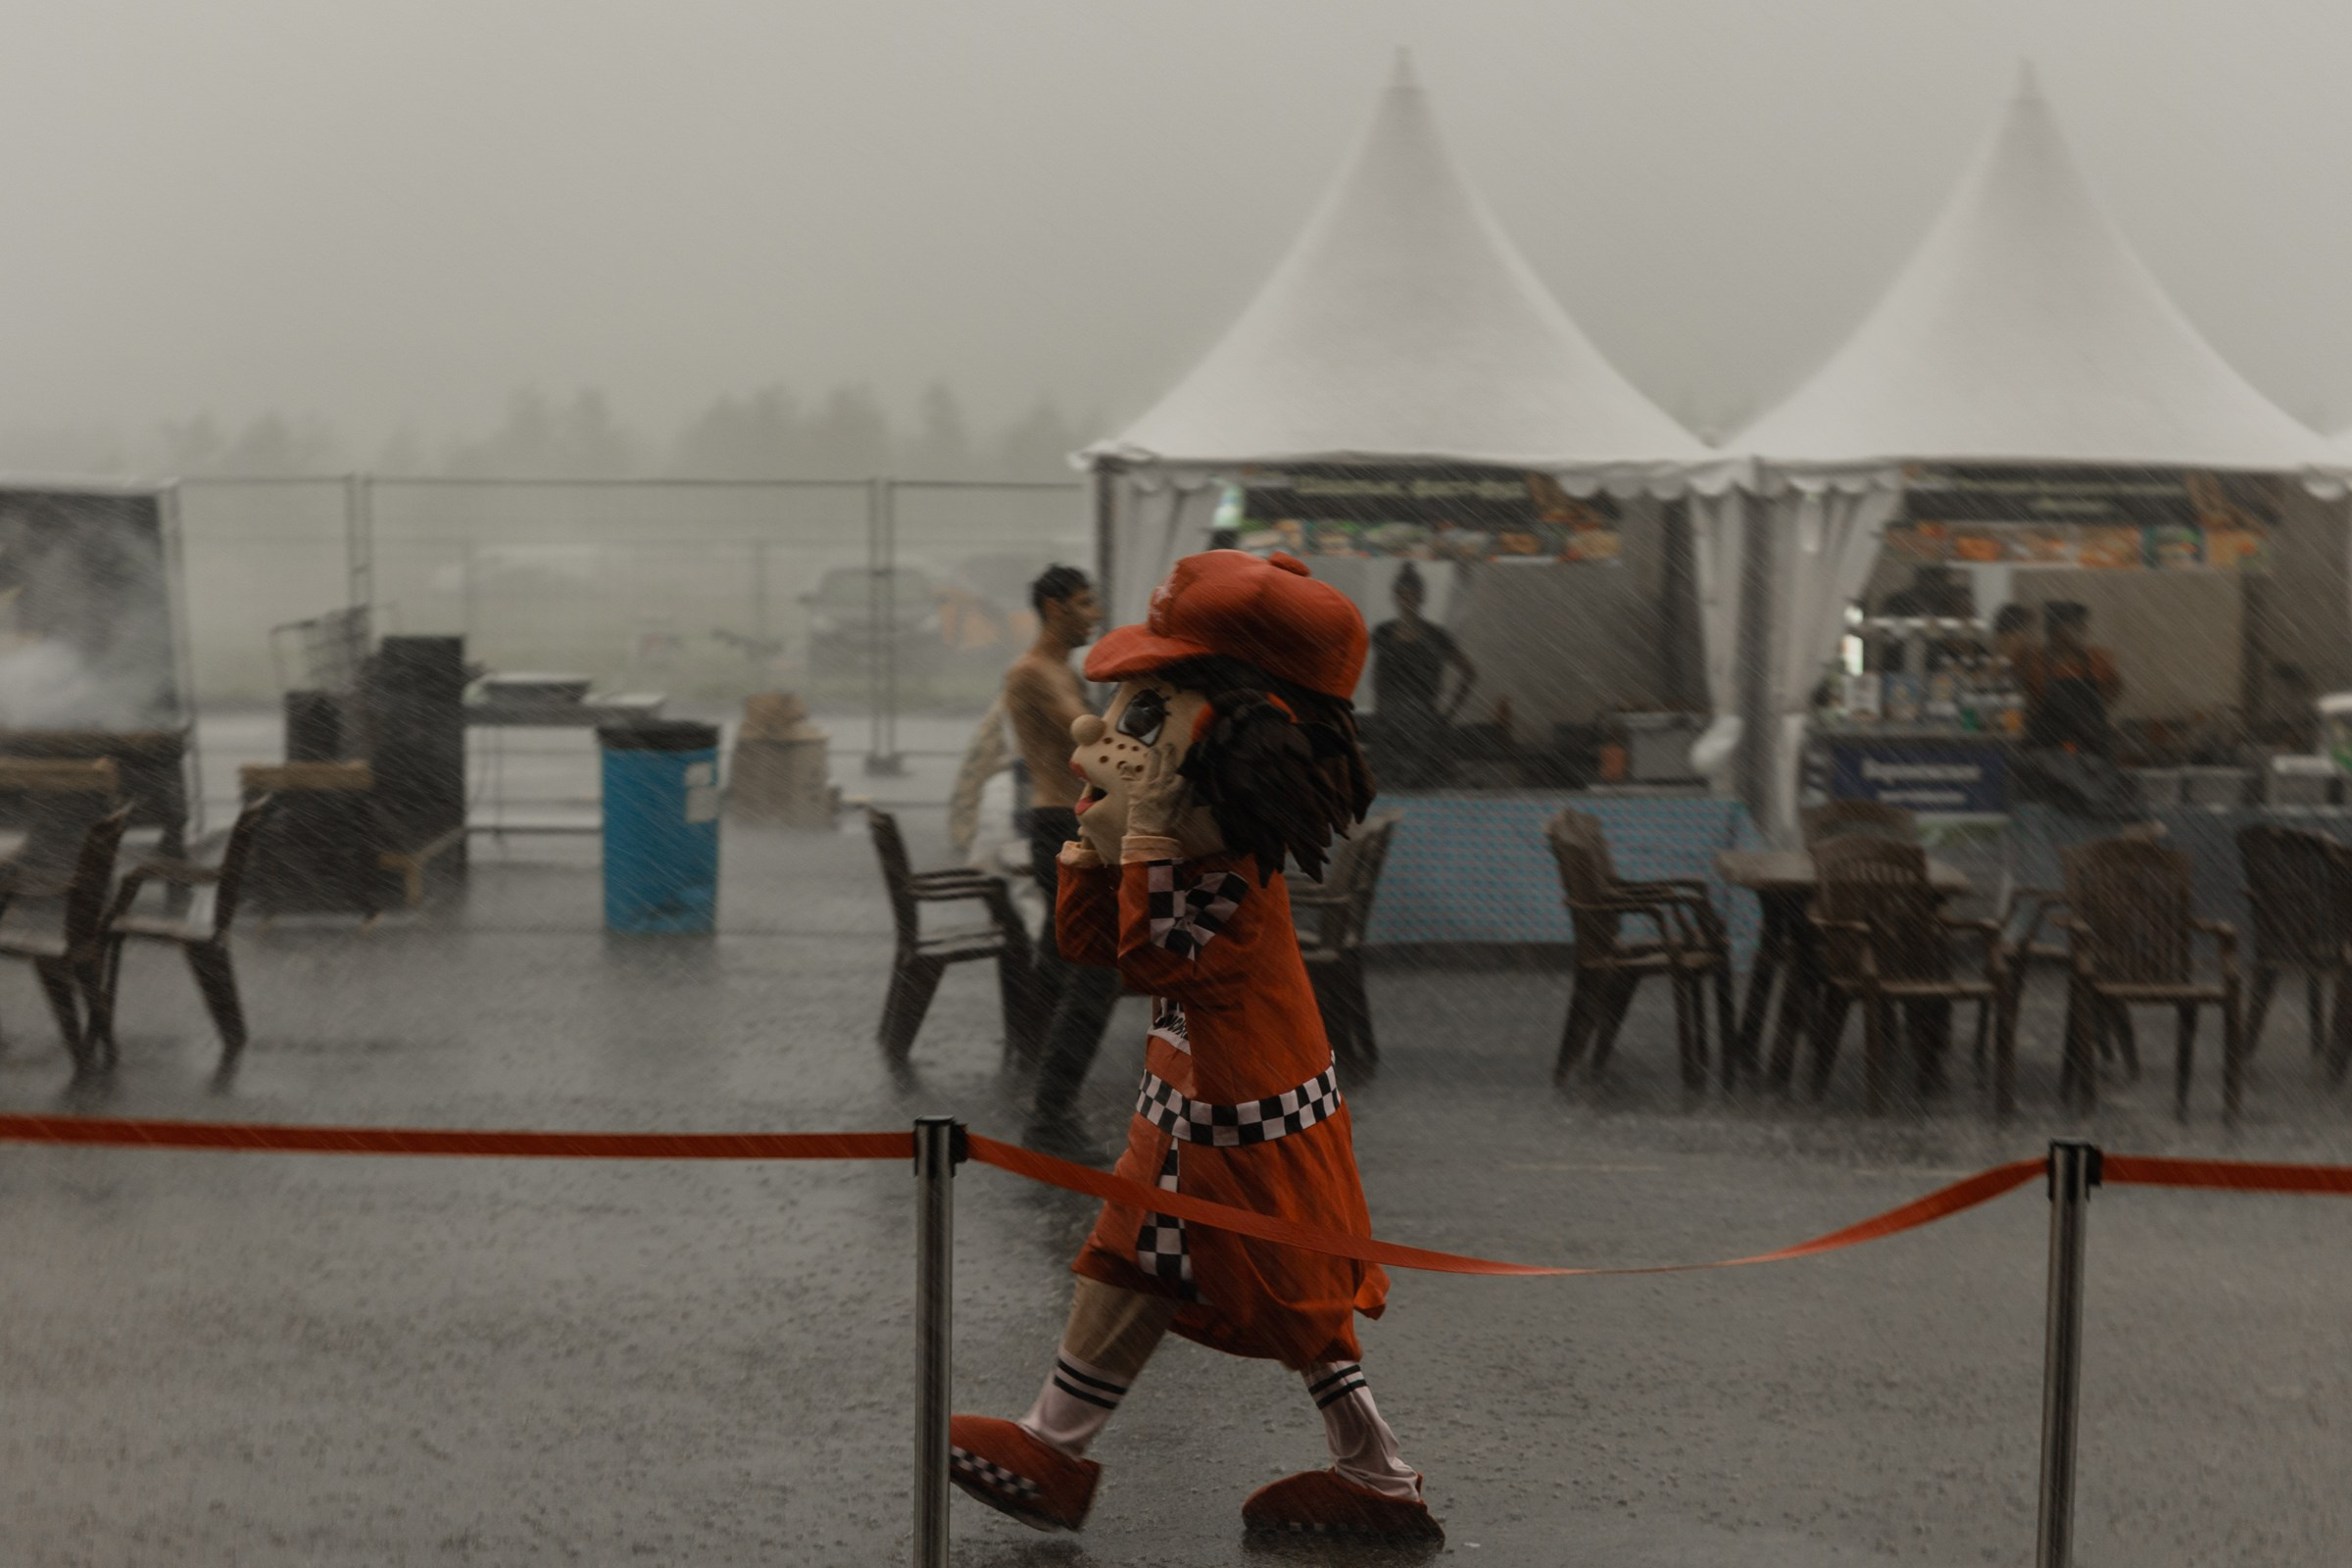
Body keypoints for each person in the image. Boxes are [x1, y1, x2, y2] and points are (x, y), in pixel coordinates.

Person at [948, 550, 1442, 1544]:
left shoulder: (1219, 869)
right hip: (1191, 1096)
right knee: (1125, 1264)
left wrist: (1143, 832)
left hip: (1244, 1112)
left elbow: (1149, 958)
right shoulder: (1192, 848)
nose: (1113, 730)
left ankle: (1380, 1476)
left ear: (1239, 738)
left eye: (1147, 714)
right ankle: (1055, 1442)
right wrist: (1094, 838)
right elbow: (1089, 946)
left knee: (1296, 1304)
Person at [1002, 564, 1117, 1161]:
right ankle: (1049, 1108)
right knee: (1093, 964)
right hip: (1060, 824)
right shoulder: (1033, 673)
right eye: (1082, 602)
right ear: (1052, 608)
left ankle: (1040, 1083)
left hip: (1067, 821)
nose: (1093, 614)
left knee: (1061, 956)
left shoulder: (1060, 671)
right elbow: (1092, 743)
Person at [1367, 562, 1474, 788]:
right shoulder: (1383, 633)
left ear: (1421, 598)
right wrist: (1380, 713)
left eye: (1412, 596)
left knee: (1422, 786)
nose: (1407, 602)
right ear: (1395, 597)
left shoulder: (1436, 636)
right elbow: (1376, 676)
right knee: (1388, 787)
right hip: (1390, 726)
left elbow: (1469, 672)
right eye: (1403, 596)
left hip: (1422, 728)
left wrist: (1448, 714)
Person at [2020, 600, 2122, 757]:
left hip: (2091, 753)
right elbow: (2030, 706)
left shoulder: (2099, 659)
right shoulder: (2035, 663)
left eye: (2082, 626)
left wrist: (2091, 720)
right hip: (2047, 752)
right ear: (2054, 631)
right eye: (2076, 627)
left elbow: (2114, 690)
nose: (2083, 631)